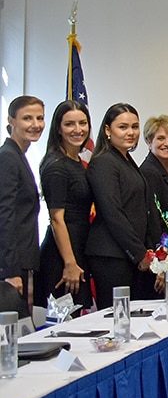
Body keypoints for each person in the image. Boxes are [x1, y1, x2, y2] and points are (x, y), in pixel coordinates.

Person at [86, 103, 156, 307]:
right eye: (123, 127)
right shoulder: (104, 162)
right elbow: (112, 212)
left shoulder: (125, 159)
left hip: (128, 255)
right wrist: (139, 253)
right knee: (115, 319)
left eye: (134, 127)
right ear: (108, 130)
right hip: (111, 255)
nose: (130, 132)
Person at [38, 100, 93, 307]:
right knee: (66, 328)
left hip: (78, 248)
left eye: (83, 123)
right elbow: (56, 218)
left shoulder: (77, 161)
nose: (78, 130)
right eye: (70, 124)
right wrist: (70, 263)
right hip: (61, 256)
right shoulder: (56, 166)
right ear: (58, 129)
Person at [0, 96, 45, 305]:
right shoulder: (8, 157)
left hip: (25, 260)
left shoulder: (19, 155)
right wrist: (10, 271)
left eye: (40, 118)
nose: (35, 125)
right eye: (27, 118)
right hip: (14, 266)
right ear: (11, 121)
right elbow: (5, 215)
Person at [140, 114, 168, 232]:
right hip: (164, 244)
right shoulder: (149, 172)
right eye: (161, 138)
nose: (167, 143)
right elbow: (153, 219)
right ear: (149, 141)